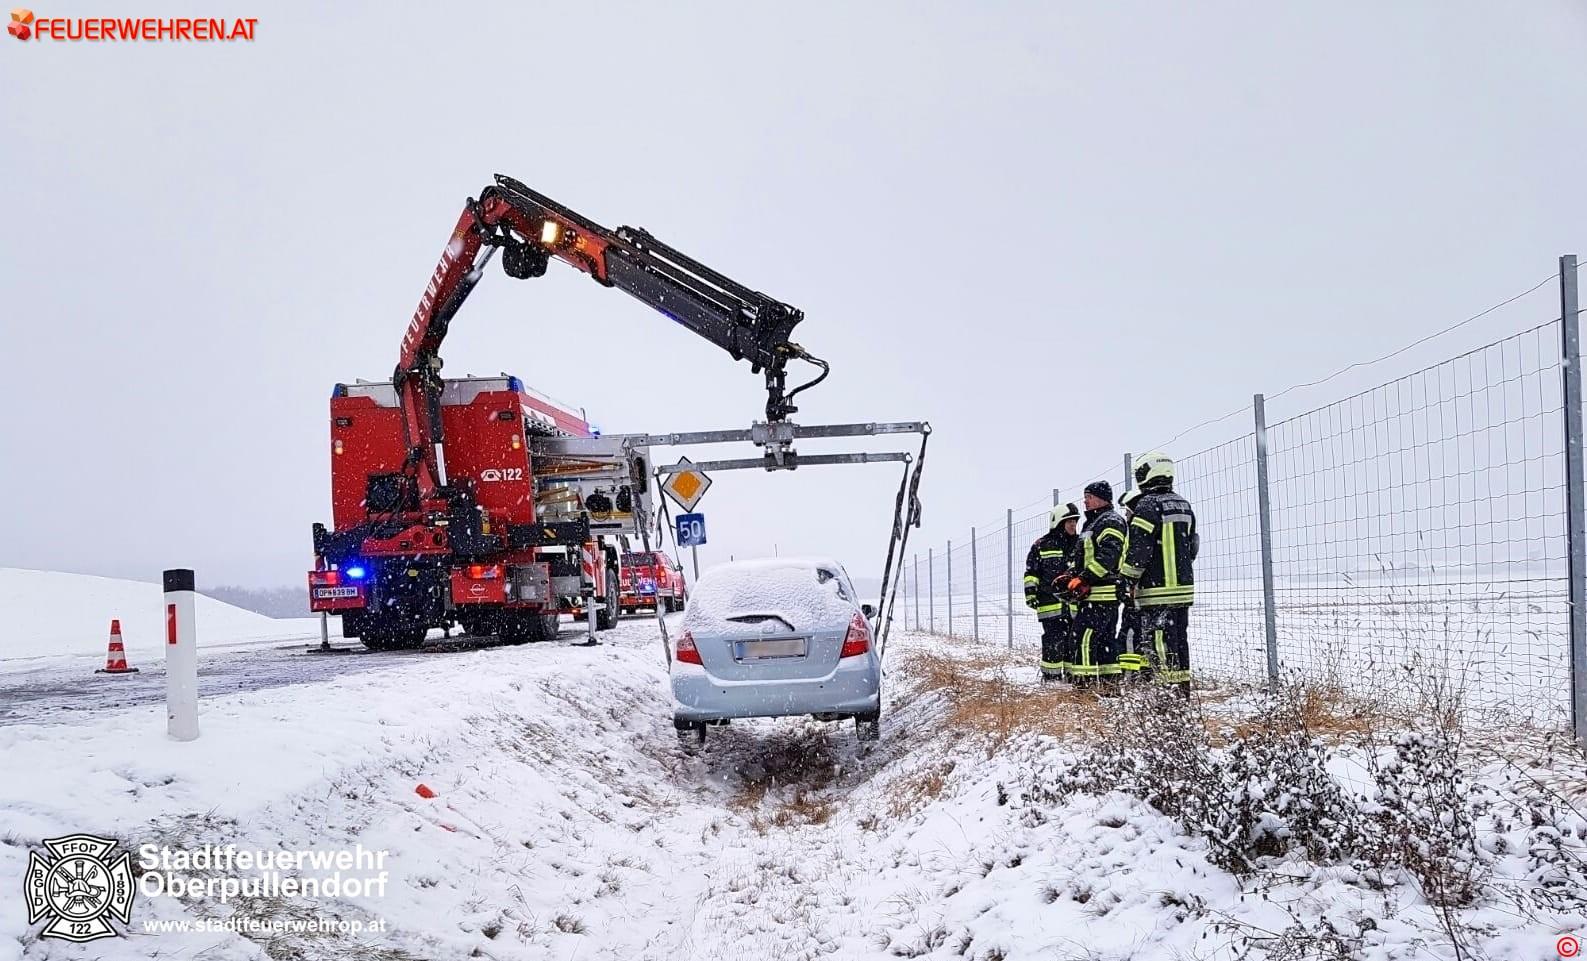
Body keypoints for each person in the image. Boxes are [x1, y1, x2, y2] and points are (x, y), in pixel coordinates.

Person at [1119, 451, 1199, 696]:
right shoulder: (1183, 504)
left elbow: (1138, 551)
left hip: (1156, 590)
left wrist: (1127, 579)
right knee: (1178, 642)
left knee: (1159, 643)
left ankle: (1167, 696)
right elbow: (1192, 545)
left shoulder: (1146, 506)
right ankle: (1181, 692)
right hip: (1182, 590)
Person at [1056, 480, 1128, 690]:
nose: (1085, 501)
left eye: (1088, 496)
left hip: (1101, 595)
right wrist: (1070, 576)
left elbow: (1110, 556)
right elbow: (1084, 558)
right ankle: (1109, 688)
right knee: (1106, 644)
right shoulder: (1093, 523)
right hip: (1095, 596)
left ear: (1100, 498)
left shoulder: (1110, 521)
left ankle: (1083, 689)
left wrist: (1085, 578)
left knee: (1082, 639)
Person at [1024, 502, 1080, 682]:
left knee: (1073, 641)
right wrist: (1031, 593)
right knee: (1053, 642)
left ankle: (1073, 678)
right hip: (1049, 604)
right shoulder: (1042, 545)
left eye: (1074, 521)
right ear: (1058, 522)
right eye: (1069, 521)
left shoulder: (1080, 544)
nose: (1073, 525)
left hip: (1073, 605)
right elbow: (1031, 572)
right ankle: (1051, 680)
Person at [1115, 487, 1149, 676]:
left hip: (1136, 595)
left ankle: (1130, 676)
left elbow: (1137, 562)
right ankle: (1143, 676)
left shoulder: (1138, 534)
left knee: (1130, 636)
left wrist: (1127, 584)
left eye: (1128, 511)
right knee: (1142, 637)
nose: (1126, 515)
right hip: (1142, 596)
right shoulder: (1137, 533)